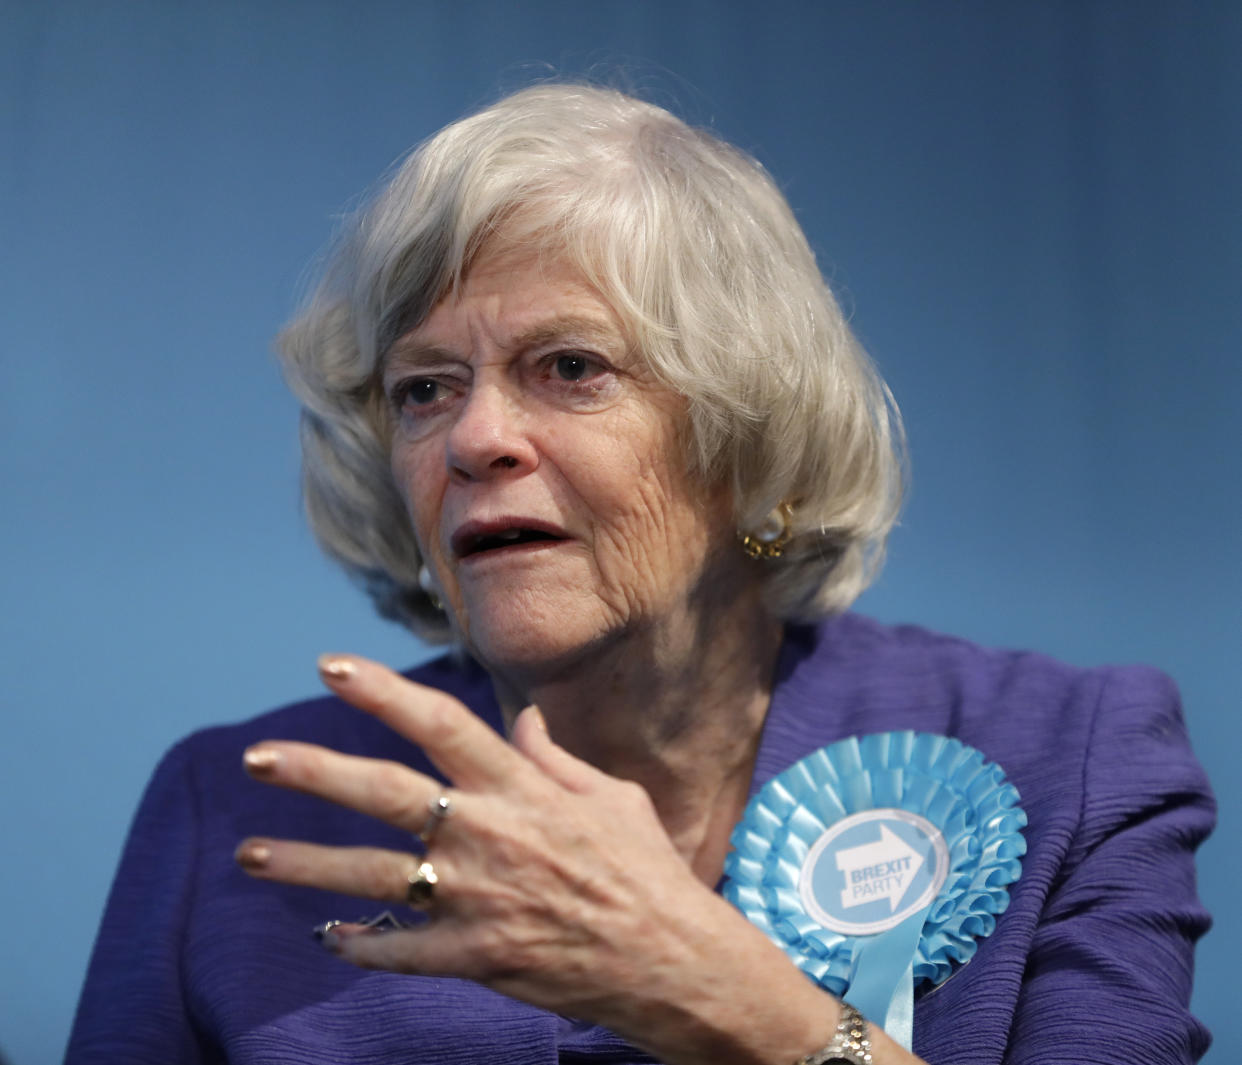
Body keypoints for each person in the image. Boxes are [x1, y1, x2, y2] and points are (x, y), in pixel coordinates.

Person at [67, 84, 1214, 1065]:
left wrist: (733, 1002)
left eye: (568, 367)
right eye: (425, 387)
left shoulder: (1070, 756)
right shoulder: (235, 808)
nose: (475, 439)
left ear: (745, 429)